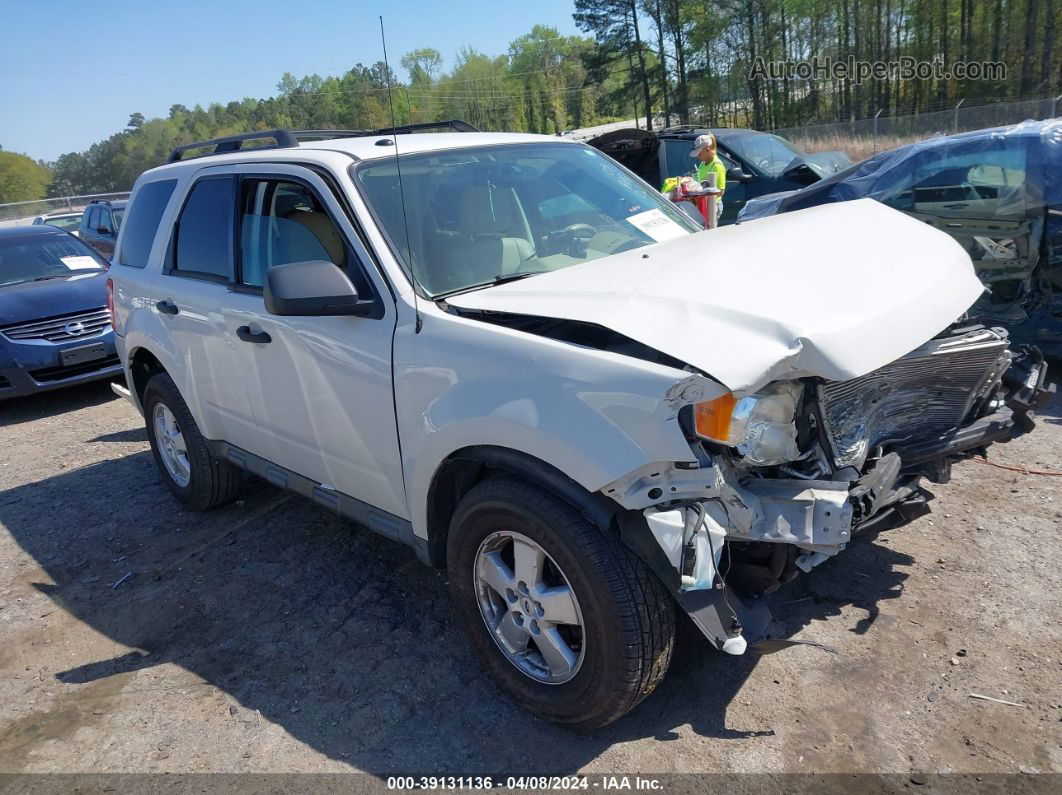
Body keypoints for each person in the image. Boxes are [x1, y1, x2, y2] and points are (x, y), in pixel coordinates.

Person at [661, 133, 727, 224]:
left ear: (707, 150)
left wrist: (701, 193)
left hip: (713, 206)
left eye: (699, 153)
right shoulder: (703, 163)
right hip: (703, 204)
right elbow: (699, 182)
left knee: (709, 232)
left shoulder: (717, 166)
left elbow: (720, 191)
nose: (697, 156)